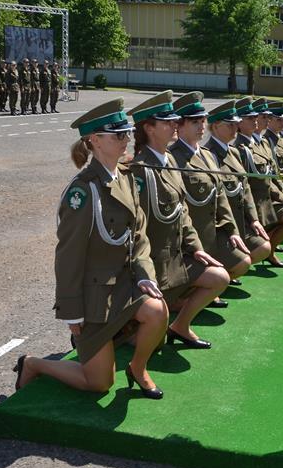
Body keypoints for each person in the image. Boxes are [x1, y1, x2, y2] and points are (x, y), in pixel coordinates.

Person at [13, 98, 169, 398]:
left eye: (127, 133)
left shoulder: (126, 177)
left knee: (157, 310)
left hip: (124, 286)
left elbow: (139, 235)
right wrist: (72, 311)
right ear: (94, 140)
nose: (127, 139)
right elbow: (68, 256)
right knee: (98, 384)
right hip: (95, 299)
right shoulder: (83, 191)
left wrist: (145, 274)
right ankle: (34, 364)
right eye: (118, 135)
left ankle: (137, 368)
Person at [127, 90, 230, 348]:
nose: (175, 124)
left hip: (176, 260)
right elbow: (135, 231)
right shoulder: (140, 170)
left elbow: (182, 212)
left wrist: (196, 249)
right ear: (149, 128)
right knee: (149, 341)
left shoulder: (169, 160)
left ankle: (180, 326)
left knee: (219, 277)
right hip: (153, 265)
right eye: (167, 122)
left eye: (175, 120)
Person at [168, 92, 252, 304]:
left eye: (203, 121)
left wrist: (232, 230)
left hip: (212, 231)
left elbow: (220, 193)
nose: (201, 126)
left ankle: (202, 294)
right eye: (195, 122)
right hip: (188, 237)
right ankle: (185, 300)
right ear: (179, 125)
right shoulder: (172, 157)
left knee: (243, 261)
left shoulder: (205, 154)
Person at [203, 99, 273, 266]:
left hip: (241, 220)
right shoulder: (210, 154)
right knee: (242, 262)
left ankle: (230, 266)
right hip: (223, 225)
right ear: (215, 126)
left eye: (236, 124)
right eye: (230, 125)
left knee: (264, 247)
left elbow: (245, 187)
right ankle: (227, 268)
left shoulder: (232, 152)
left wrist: (254, 219)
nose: (235, 128)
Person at [253, 97, 283, 267]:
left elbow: (274, 174)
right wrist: (282, 196)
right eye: (262, 117)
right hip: (258, 202)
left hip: (270, 196)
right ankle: (267, 249)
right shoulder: (244, 147)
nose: (266, 121)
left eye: (268, 117)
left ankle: (270, 249)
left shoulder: (264, 142)